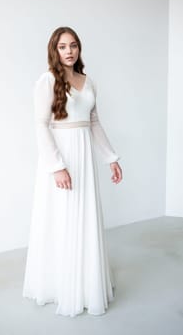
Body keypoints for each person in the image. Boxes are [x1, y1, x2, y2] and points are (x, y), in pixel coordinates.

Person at [22, 26, 123, 317]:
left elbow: (94, 123)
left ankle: (85, 283)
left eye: (74, 45)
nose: (69, 51)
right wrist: (57, 166)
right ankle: (59, 284)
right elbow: (41, 124)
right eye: (63, 46)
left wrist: (111, 158)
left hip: (84, 157)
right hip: (61, 156)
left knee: (84, 216)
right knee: (61, 218)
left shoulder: (88, 82)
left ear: (79, 49)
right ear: (55, 49)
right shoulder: (47, 80)